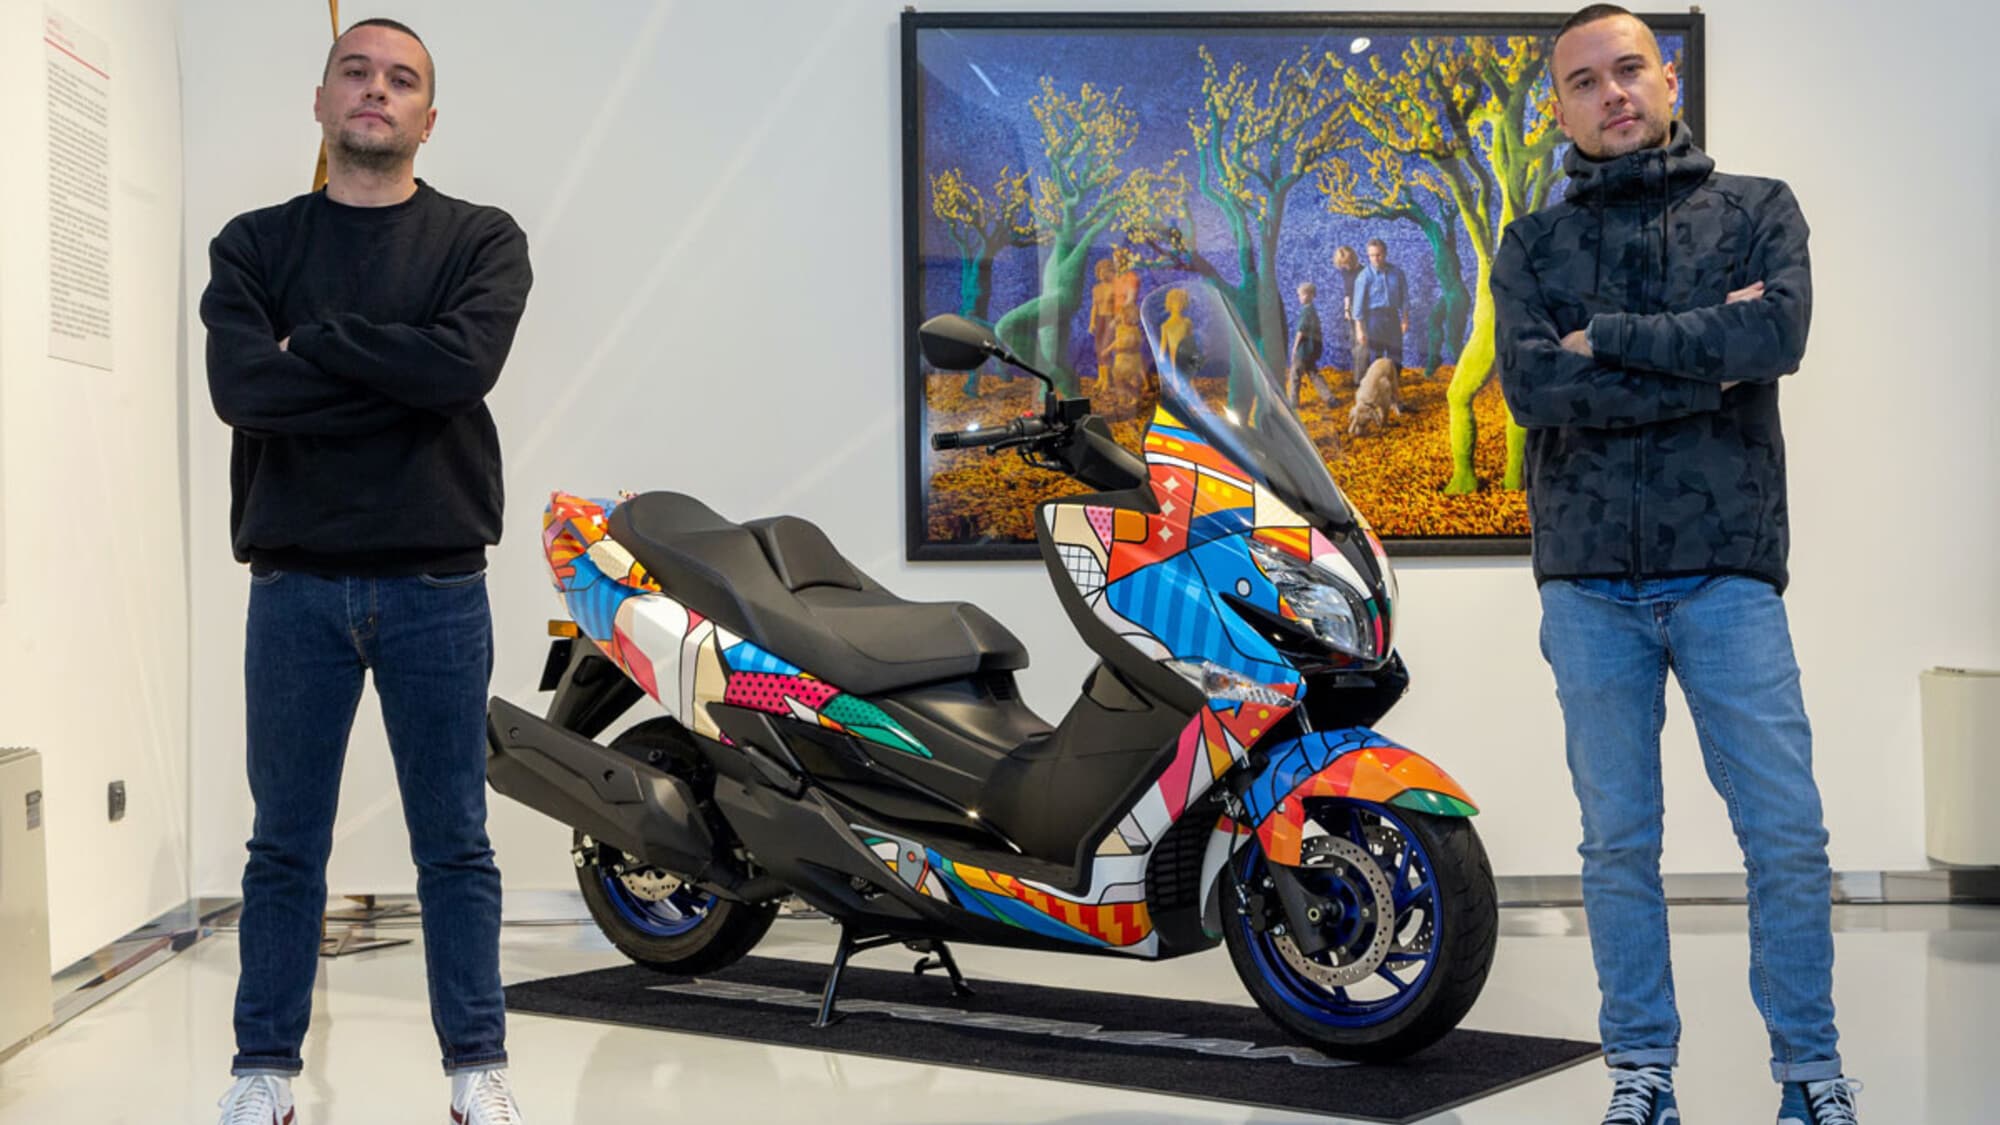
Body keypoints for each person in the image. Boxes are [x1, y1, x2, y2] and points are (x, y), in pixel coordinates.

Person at [1491, 6, 1857, 1125]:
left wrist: (1606, 337)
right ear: (1560, 109)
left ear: (1667, 80)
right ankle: (1640, 1073)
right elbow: (1535, 390)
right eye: (1583, 81)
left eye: (1628, 69)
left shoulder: (1757, 208)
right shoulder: (1531, 245)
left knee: (1786, 835)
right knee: (1616, 846)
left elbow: (1776, 337)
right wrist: (1707, 357)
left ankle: (1810, 1074)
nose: (1611, 93)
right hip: (1585, 580)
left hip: (1726, 569)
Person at [200, 18, 532, 1125]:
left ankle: (476, 1069)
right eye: (356, 71)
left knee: (456, 845)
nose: (375, 90)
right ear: (320, 100)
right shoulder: (254, 246)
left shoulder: (481, 238)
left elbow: (462, 369)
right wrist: (404, 373)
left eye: (400, 80)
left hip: (437, 585)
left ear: (428, 118)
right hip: (293, 585)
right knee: (282, 848)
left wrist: (320, 344)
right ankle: (263, 1071)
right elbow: (245, 392)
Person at [1350, 238, 1407, 410]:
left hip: (1393, 317)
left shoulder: (1397, 273)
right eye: (1372, 255)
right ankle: (1376, 398)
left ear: (1385, 253)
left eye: (1379, 255)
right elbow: (1358, 305)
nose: (1375, 258)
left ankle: (1394, 398)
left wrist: (1405, 319)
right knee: (1376, 360)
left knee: (1396, 358)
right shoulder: (1364, 277)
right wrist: (1359, 329)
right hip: (1374, 319)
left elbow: (1405, 298)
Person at [1288, 281, 1333, 407]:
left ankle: (1293, 402)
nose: (1300, 298)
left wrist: (1294, 348)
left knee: (1295, 375)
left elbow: (1301, 331)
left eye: (1301, 295)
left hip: (1303, 349)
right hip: (1312, 349)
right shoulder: (1313, 311)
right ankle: (1329, 398)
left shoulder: (1306, 311)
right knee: (1313, 373)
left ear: (1309, 295)